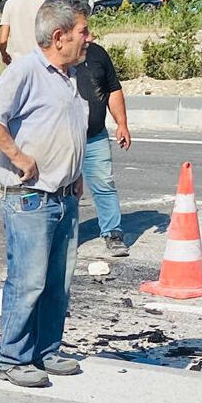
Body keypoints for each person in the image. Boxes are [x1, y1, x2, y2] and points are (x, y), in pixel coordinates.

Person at [0, 0, 91, 389]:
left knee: (57, 284)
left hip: (64, 197)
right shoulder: (26, 69)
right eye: (83, 32)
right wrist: (18, 156)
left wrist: (76, 173)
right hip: (31, 198)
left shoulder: (70, 76)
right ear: (59, 37)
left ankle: (46, 350)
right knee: (28, 283)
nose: (88, 38)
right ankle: (10, 358)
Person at [77, 38, 131, 258]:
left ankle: (113, 233)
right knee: (62, 190)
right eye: (82, 30)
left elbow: (113, 89)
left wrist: (121, 124)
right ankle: (61, 236)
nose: (88, 36)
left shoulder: (98, 54)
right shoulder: (54, 58)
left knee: (104, 184)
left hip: (95, 136)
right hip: (63, 140)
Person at [0, 0, 47, 66]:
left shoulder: (10, 3)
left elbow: (3, 40)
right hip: (42, 63)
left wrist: (4, 54)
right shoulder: (47, 3)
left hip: (18, 63)